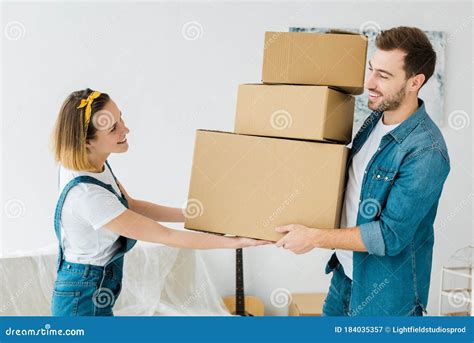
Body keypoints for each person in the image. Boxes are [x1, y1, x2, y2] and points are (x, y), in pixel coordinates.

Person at [274, 26, 450, 316]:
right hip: (344, 278)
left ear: (414, 82)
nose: (369, 82)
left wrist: (314, 236)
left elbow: (388, 235)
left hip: (386, 300)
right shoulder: (374, 120)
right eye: (371, 69)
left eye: (383, 75)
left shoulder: (427, 151)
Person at [50, 89, 269, 316]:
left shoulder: (91, 164)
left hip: (89, 287)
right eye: (113, 128)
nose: (125, 129)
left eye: (120, 118)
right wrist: (236, 242)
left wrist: (191, 214)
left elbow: (131, 206)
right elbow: (166, 236)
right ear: (87, 142)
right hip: (82, 299)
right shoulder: (87, 195)